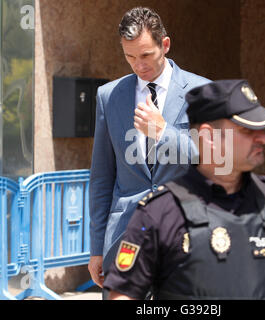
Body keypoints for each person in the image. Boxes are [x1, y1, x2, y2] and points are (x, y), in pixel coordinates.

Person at [103, 79, 265, 300]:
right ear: (207, 136)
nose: (263, 138)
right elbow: (124, 293)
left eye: (262, 129)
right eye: (247, 130)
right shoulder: (159, 214)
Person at [88, 6, 210, 295]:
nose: (138, 65)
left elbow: (216, 159)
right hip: (124, 239)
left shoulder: (202, 92)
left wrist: (163, 132)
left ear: (164, 45)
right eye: (129, 57)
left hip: (185, 238)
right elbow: (102, 176)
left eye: (145, 55)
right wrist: (96, 248)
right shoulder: (109, 97)